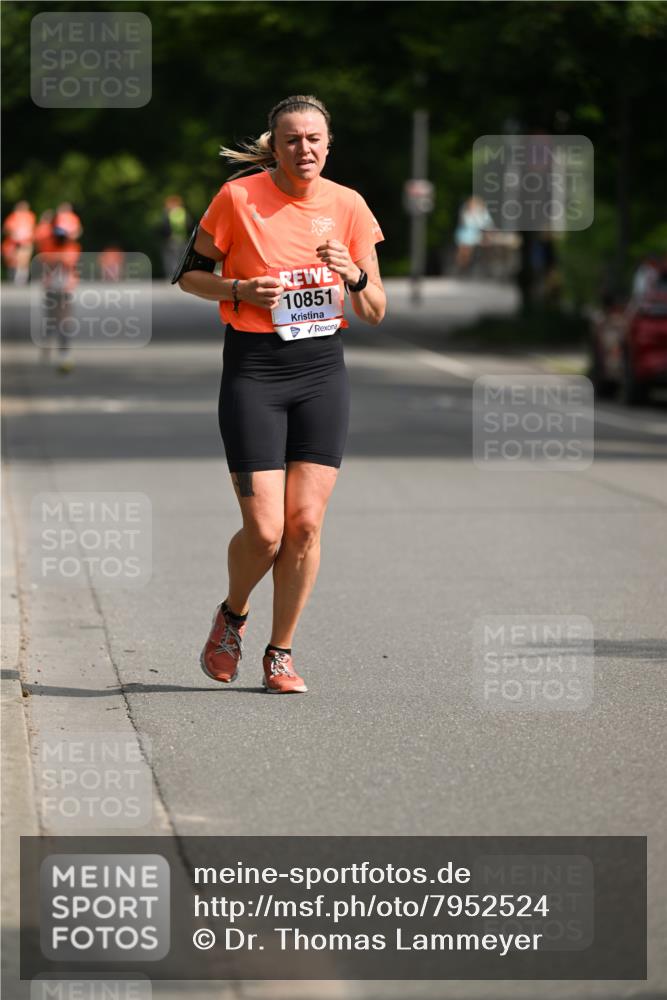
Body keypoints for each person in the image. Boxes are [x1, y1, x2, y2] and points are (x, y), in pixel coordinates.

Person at [178, 94, 386, 693]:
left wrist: (353, 273)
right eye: (292, 139)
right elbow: (189, 274)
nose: (305, 149)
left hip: (322, 373)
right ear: (274, 146)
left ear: (328, 145)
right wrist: (240, 287)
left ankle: (281, 653)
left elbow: (373, 310)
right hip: (254, 371)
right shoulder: (239, 198)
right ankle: (232, 616)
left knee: (304, 526)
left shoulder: (348, 206)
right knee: (266, 530)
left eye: (315, 139)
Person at [454, 195, 493, 274]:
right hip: (466, 234)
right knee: (464, 249)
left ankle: (484, 266)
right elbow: (466, 224)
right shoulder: (465, 212)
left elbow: (487, 225)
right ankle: (463, 267)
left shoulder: (483, 212)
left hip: (478, 234)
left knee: (487, 247)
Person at [2, 200, 36, 284]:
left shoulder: (30, 216)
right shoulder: (13, 217)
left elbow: (32, 229)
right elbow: (6, 229)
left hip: (26, 241)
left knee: (24, 259)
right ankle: (15, 276)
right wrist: (13, 235)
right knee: (14, 260)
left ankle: (22, 278)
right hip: (14, 242)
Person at [161, 195, 191, 277]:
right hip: (184, 238)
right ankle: (183, 275)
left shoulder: (168, 213)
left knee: (172, 258)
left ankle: (173, 275)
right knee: (182, 257)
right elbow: (189, 225)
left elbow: (164, 226)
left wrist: (166, 236)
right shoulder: (183, 212)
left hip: (172, 239)